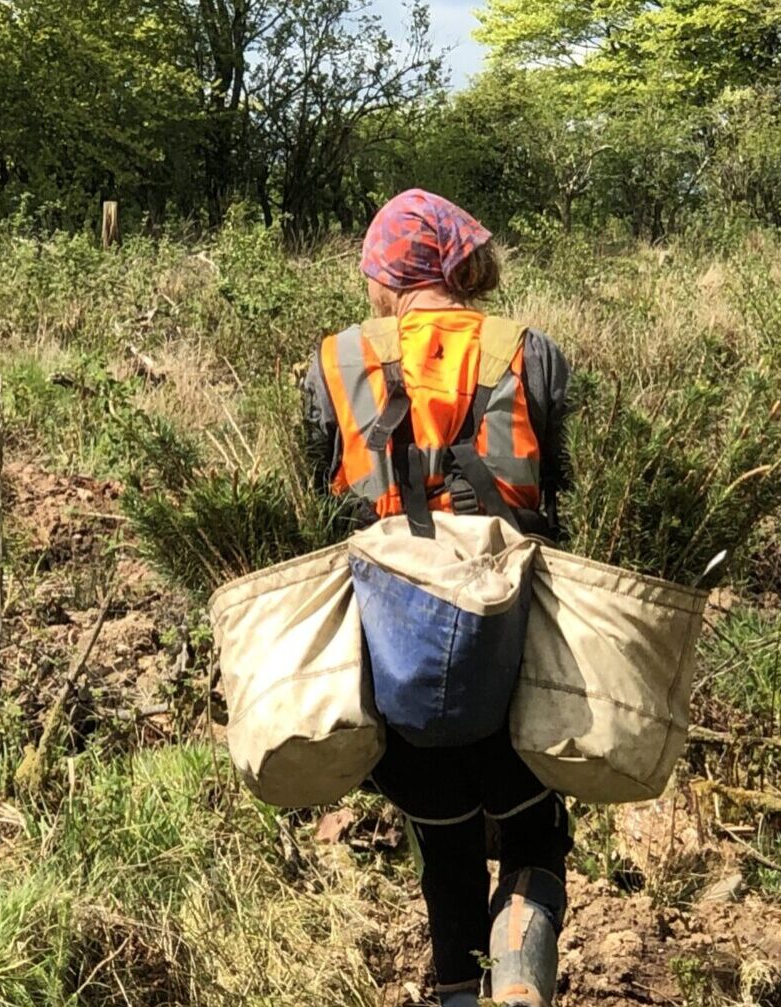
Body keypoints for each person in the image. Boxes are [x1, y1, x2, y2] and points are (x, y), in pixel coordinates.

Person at [302, 190, 574, 1007]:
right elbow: (557, 485)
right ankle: (522, 981)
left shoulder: (336, 358)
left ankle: (458, 992)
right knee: (534, 839)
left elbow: (319, 495)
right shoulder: (531, 351)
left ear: (389, 275)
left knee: (444, 844)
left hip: (397, 652)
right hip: (512, 641)